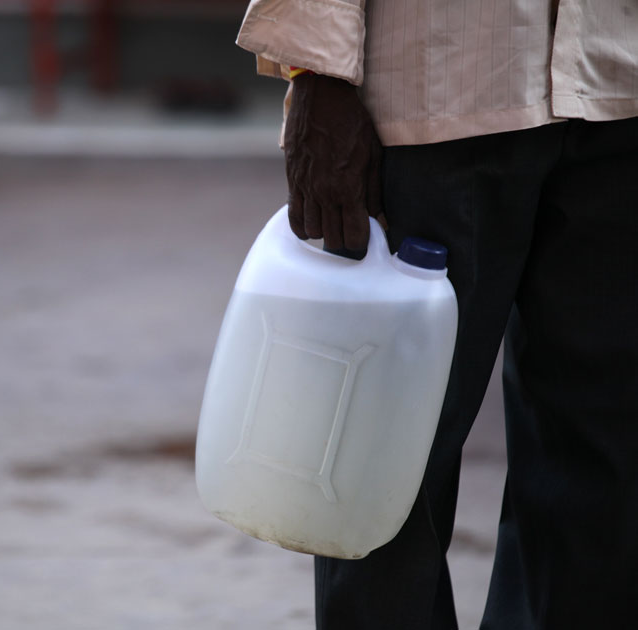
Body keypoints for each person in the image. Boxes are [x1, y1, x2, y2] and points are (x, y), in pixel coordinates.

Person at [235, 1, 638, 628]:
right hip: (442, 86)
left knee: (605, 458)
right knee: (382, 458)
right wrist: (317, 70)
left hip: (620, 85)